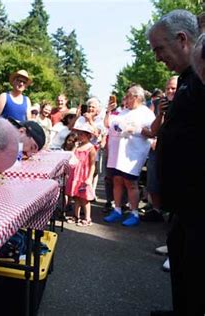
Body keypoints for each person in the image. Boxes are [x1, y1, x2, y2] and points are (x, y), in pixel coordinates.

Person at [147, 9, 205, 315]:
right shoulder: (186, 79)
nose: (157, 58)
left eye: (159, 49)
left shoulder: (199, 78)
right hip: (184, 202)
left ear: (182, 39)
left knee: (194, 268)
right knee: (182, 260)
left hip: (198, 201)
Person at [103, 84, 155, 227]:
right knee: (117, 180)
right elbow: (109, 125)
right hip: (118, 153)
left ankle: (134, 212)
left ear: (136, 97)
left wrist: (136, 130)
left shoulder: (146, 113)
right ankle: (117, 209)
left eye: (128, 96)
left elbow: (152, 132)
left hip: (133, 153)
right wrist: (109, 111)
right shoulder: (123, 111)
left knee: (131, 183)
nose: (125, 99)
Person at [140, 76, 177, 223]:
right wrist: (161, 112)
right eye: (167, 88)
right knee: (153, 179)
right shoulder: (157, 103)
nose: (170, 91)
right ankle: (156, 210)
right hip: (159, 148)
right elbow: (154, 129)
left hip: (177, 150)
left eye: (173, 88)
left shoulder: (187, 101)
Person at [65, 119, 96, 227]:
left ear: (88, 136)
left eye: (82, 134)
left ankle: (87, 218)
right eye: (79, 134)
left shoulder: (91, 148)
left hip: (84, 175)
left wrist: (89, 178)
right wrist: (75, 146)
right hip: (75, 174)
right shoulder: (78, 146)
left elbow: (92, 164)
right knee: (76, 196)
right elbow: (71, 155)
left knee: (85, 198)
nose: (79, 135)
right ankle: (76, 215)